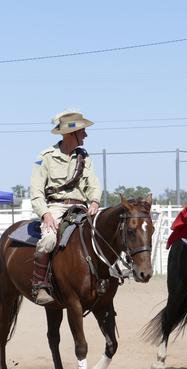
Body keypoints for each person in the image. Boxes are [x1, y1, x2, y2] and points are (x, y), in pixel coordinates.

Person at [30, 110, 102, 305]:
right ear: (72, 134)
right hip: (55, 207)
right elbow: (36, 191)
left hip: (82, 207)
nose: (86, 135)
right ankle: (41, 285)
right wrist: (45, 214)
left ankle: (107, 277)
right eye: (83, 131)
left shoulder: (84, 158)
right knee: (49, 239)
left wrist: (95, 200)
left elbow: (93, 185)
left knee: (103, 233)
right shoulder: (45, 157)